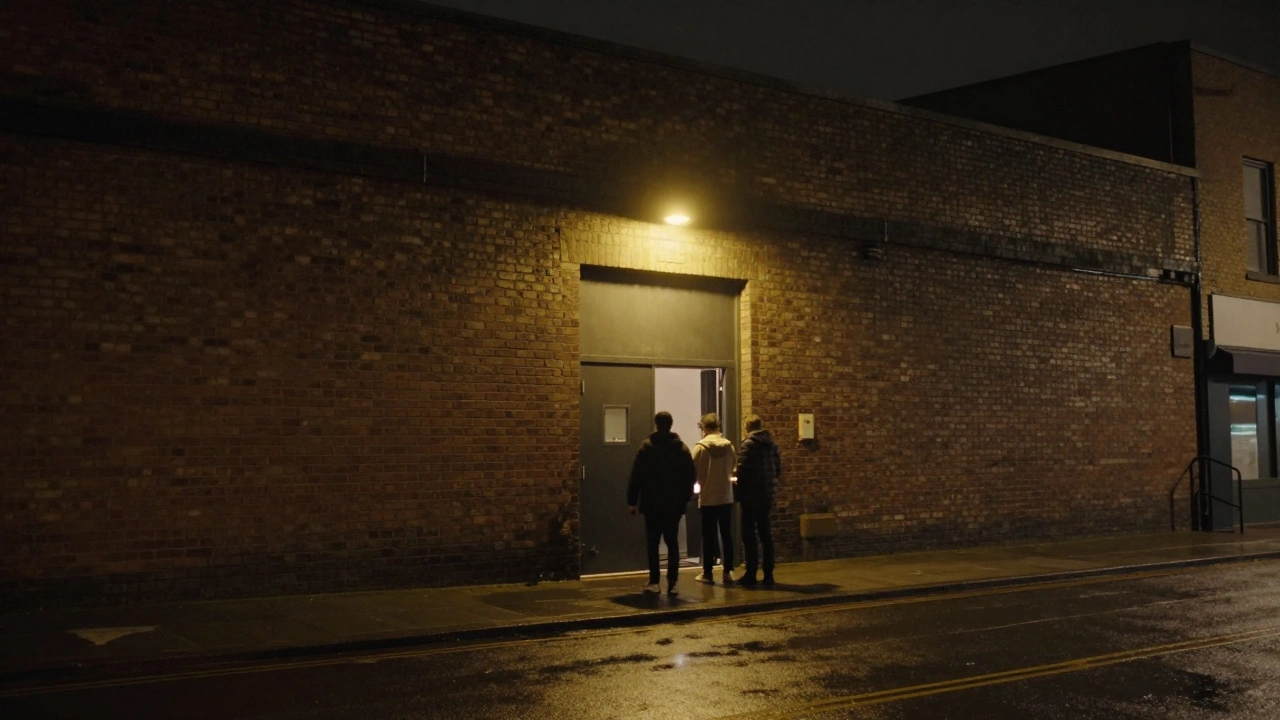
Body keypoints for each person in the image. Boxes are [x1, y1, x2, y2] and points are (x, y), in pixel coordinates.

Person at [627, 411, 696, 595]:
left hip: (652, 503)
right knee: (672, 543)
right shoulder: (681, 448)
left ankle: (654, 581)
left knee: (653, 542)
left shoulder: (647, 448)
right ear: (671, 425)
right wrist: (685, 498)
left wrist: (632, 501)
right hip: (674, 504)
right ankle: (672, 582)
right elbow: (691, 476)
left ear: (656, 424)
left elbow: (637, 476)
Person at [734, 414, 782, 587]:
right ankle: (768, 575)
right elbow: (778, 469)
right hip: (767, 495)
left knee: (749, 535)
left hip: (751, 496)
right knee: (765, 534)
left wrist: (738, 489)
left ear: (747, 427)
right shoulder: (772, 445)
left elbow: (742, 471)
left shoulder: (748, 445)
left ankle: (751, 574)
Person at [691, 413, 736, 585]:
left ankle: (708, 573)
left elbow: (693, 471)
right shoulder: (729, 447)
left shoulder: (700, 448)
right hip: (725, 496)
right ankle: (728, 572)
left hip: (708, 497)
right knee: (726, 535)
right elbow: (733, 467)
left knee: (708, 536)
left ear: (704, 427)